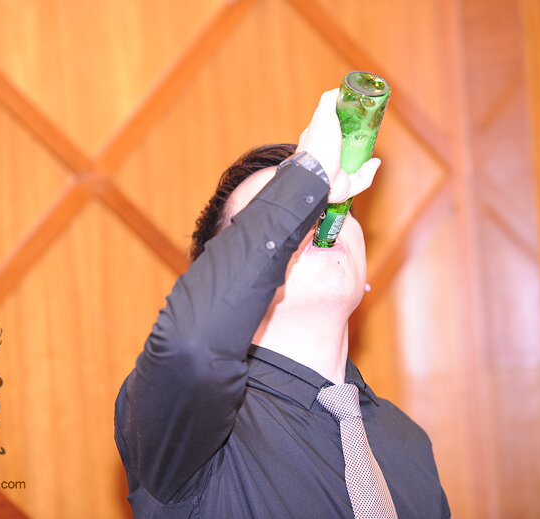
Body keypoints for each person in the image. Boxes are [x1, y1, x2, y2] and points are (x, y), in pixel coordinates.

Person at [114, 89, 450, 518]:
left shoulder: (408, 441)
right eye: (292, 210)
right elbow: (192, 346)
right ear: (241, 276)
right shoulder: (197, 434)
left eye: (334, 205)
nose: (321, 217)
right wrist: (308, 172)